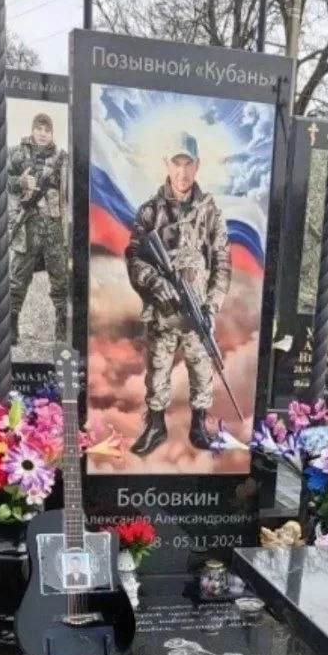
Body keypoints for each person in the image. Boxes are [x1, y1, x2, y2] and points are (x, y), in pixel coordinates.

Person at [125, 132, 231, 457]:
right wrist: (156, 284)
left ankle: (199, 425)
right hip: (163, 310)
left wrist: (211, 306)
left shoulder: (210, 212)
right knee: (158, 367)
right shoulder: (149, 212)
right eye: (176, 163)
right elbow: (134, 256)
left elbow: (222, 263)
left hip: (197, 308)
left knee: (202, 367)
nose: (182, 172)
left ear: (197, 166)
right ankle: (156, 425)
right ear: (167, 165)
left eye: (188, 164)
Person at [8, 113, 69, 344]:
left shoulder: (62, 158)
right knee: (18, 277)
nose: (43, 134)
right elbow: (3, 181)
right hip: (28, 225)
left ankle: (61, 329)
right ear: (33, 130)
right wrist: (21, 182)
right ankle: (11, 327)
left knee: (60, 278)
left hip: (54, 225)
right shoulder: (17, 153)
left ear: (52, 133)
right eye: (39, 129)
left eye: (47, 130)